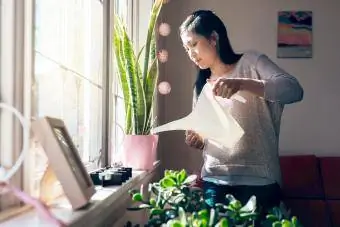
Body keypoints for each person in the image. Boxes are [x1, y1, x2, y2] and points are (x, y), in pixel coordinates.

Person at [180, 9, 304, 221]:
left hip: (261, 184)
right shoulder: (201, 87)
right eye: (186, 48)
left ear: (213, 38)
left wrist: (242, 84)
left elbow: (293, 90)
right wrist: (198, 139)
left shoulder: (251, 62)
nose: (190, 53)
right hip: (215, 184)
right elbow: (206, 135)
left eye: (193, 44)